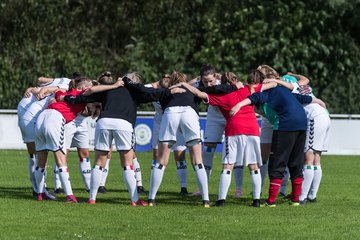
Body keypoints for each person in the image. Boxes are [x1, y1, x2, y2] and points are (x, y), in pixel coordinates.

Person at [63, 72, 180, 206]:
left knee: (99, 162)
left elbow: (86, 97)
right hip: (124, 124)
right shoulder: (137, 91)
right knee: (127, 164)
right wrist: (174, 91)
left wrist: (67, 98)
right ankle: (135, 200)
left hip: (104, 122)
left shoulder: (110, 87)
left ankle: (92, 198)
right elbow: (155, 93)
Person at [172, 72, 277, 207]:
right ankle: (256, 200)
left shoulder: (222, 96)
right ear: (236, 80)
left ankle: (221, 200)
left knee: (228, 166)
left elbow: (200, 94)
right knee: (254, 166)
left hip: (234, 130)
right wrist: (274, 81)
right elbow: (272, 84)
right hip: (252, 129)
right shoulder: (248, 88)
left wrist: (185, 84)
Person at [230, 71, 326, 207]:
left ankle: (271, 201)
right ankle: (295, 200)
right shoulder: (283, 90)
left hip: (285, 125)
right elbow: (301, 98)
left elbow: (254, 98)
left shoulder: (267, 91)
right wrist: (318, 101)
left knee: (277, 162)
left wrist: (238, 105)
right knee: (296, 161)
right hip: (302, 124)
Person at [147, 71, 210, 207]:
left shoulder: (166, 91)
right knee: (197, 161)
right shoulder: (192, 90)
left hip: (170, 113)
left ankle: (151, 199)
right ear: (185, 80)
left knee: (161, 161)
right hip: (189, 112)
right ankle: (205, 200)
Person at [267, 73, 330, 204]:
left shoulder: (292, 88)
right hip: (323, 115)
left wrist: (274, 80)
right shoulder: (304, 86)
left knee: (308, 158)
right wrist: (292, 74)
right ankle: (312, 195)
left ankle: (302, 197)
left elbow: (290, 85)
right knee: (316, 159)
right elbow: (306, 79)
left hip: (314, 117)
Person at [34, 76, 94, 203]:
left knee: (41, 161)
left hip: (41, 118)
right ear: (84, 87)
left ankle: (40, 193)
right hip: (55, 119)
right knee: (61, 160)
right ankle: (70, 196)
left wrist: (45, 91)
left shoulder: (64, 93)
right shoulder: (83, 94)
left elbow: (56, 91)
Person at [146, 76, 189, 196]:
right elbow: (143, 87)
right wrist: (157, 82)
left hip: (174, 123)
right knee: (156, 156)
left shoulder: (174, 92)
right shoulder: (155, 91)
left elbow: (188, 84)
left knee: (179, 155)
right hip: (159, 125)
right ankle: (153, 188)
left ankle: (183, 187)